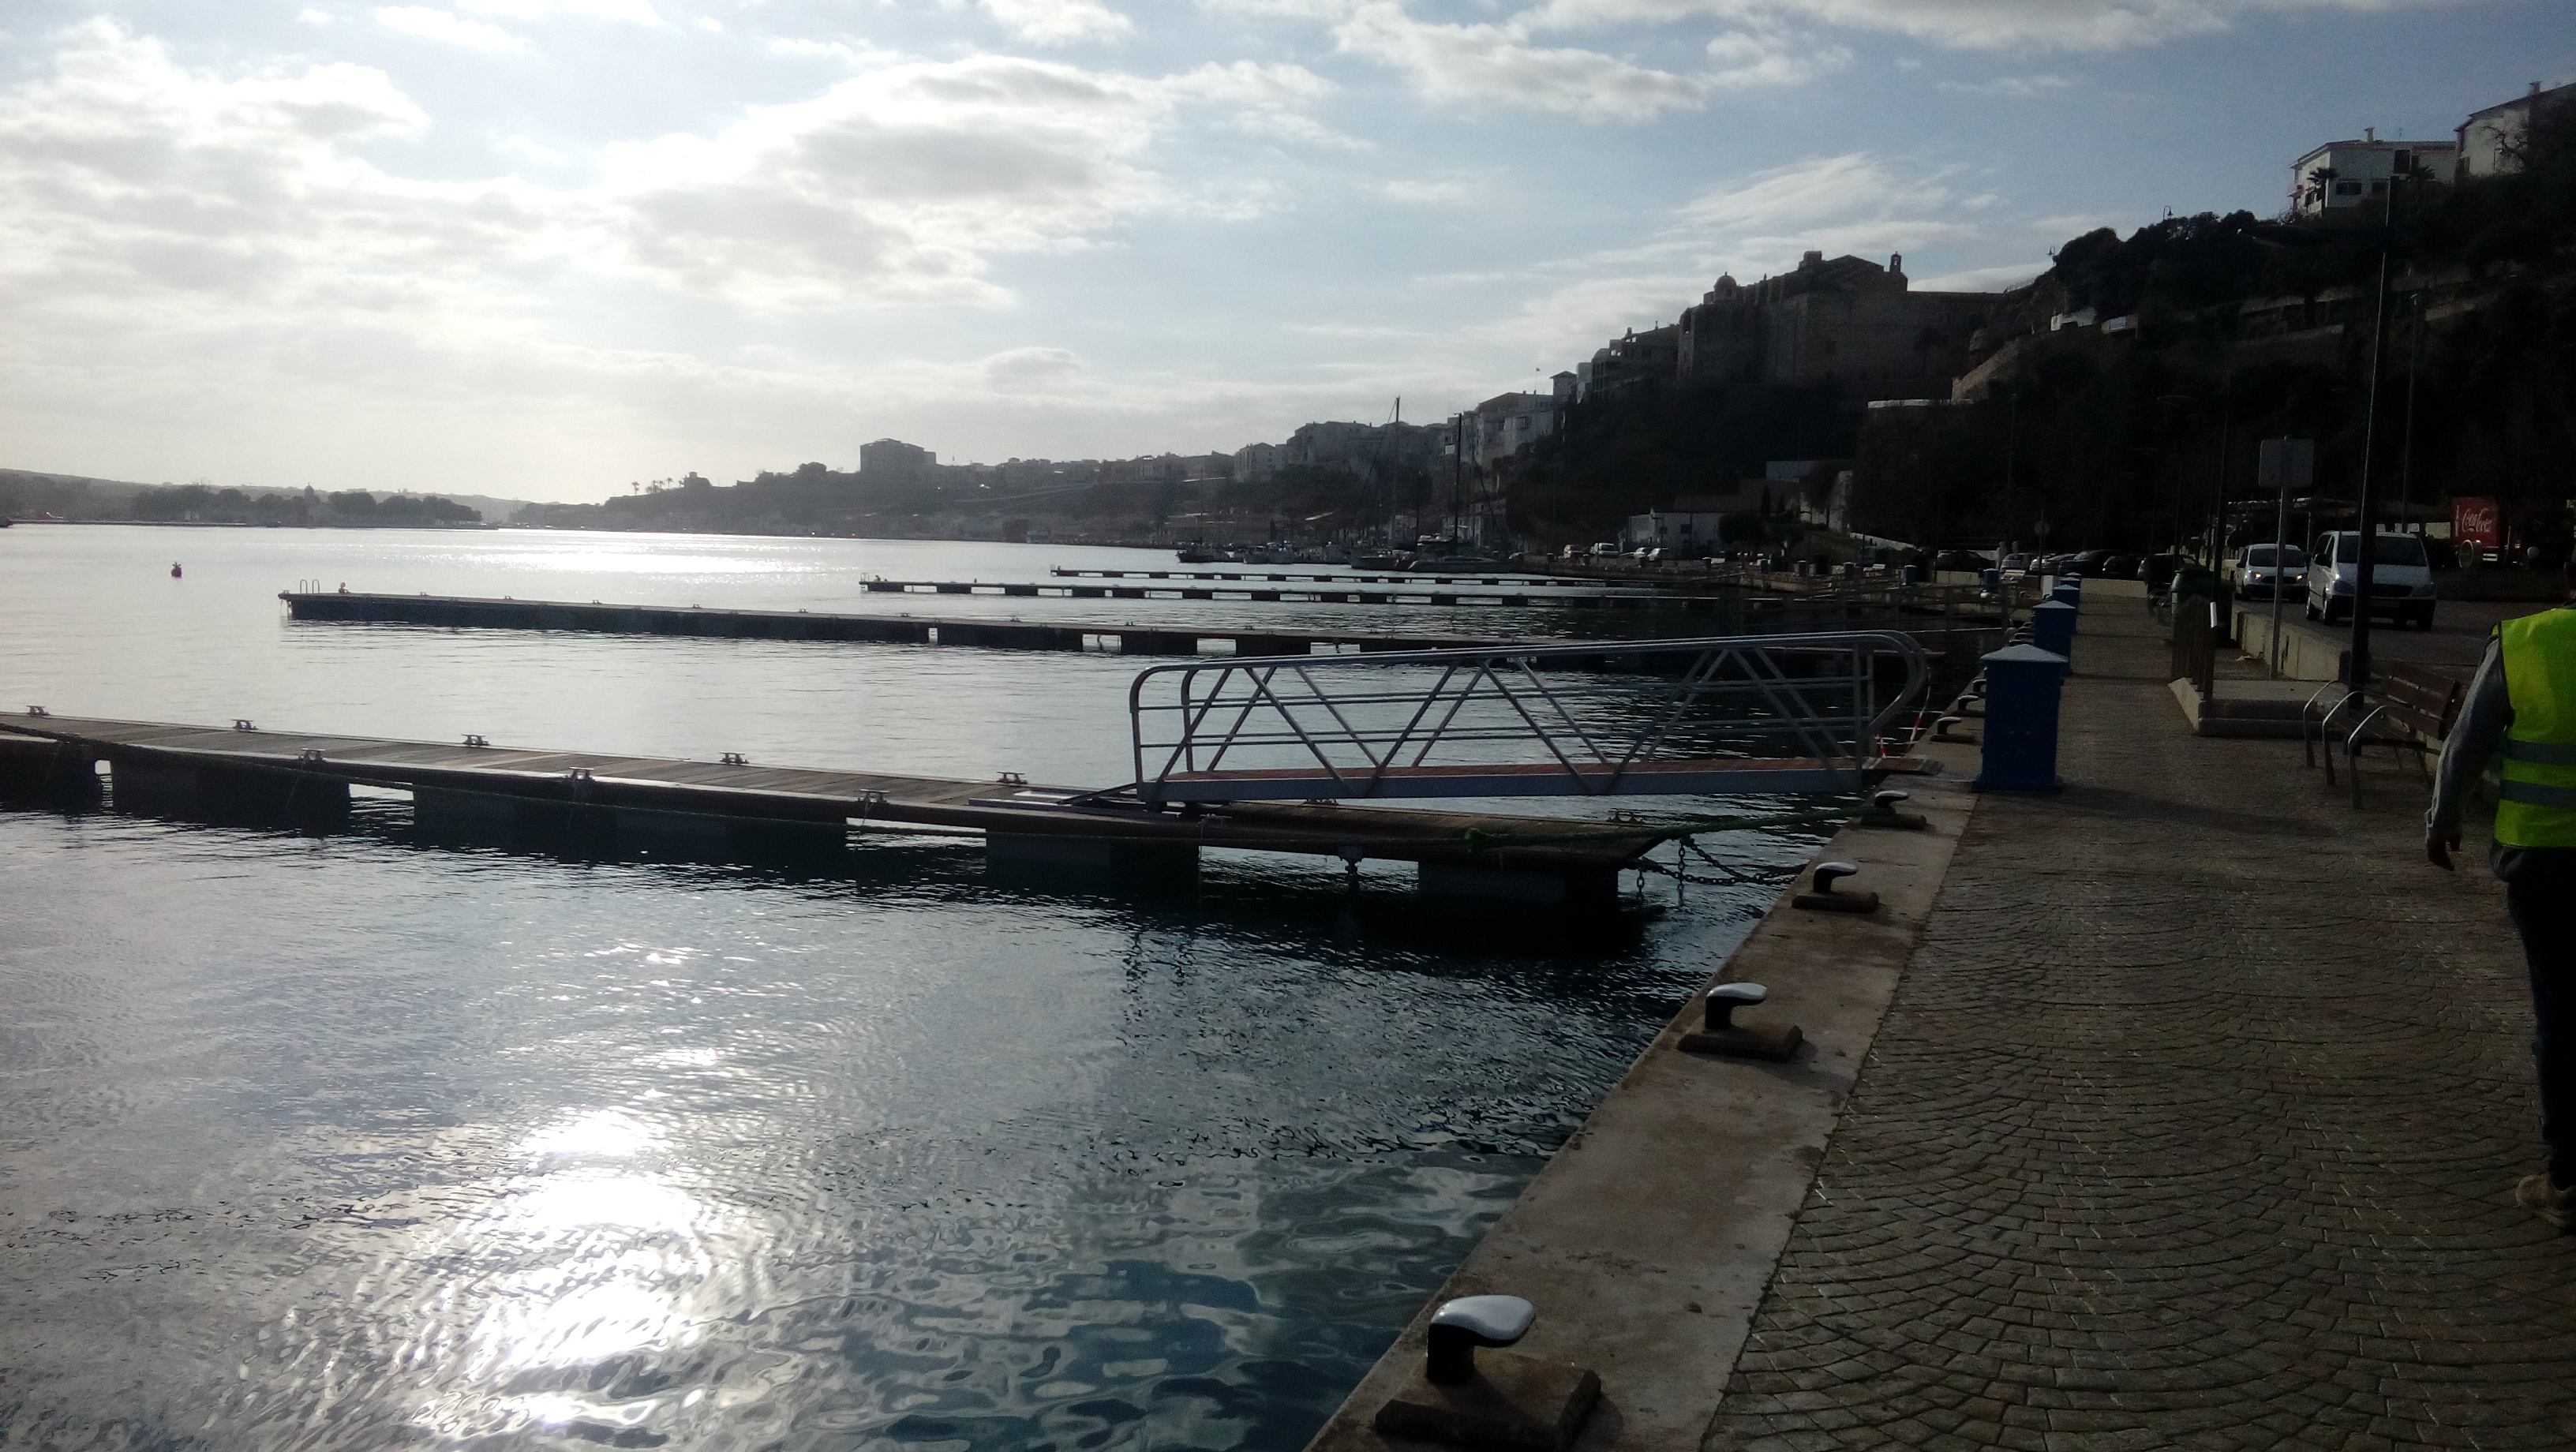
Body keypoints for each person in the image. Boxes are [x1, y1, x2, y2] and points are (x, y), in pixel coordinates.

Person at [2428, 557, 2576, 1231]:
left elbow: (2467, 741)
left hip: (2542, 863)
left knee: (2563, 1015)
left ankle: (2568, 1177)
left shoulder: (2525, 642)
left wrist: (2443, 819)